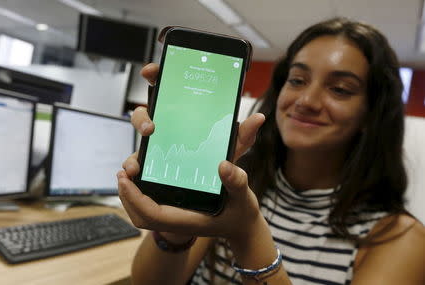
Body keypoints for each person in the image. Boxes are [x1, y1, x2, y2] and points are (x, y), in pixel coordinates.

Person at [117, 17, 425, 285]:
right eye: (297, 80)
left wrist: (248, 234)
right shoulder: (233, 188)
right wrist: (176, 227)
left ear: (372, 115)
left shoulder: (399, 238)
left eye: (340, 89)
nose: (306, 100)